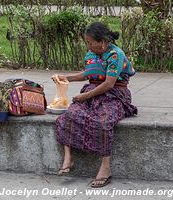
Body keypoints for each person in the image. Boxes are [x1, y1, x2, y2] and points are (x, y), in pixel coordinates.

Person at [53, 22, 137, 188]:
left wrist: (85, 96)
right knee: (70, 115)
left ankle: (105, 166)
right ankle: (68, 157)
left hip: (114, 94)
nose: (88, 45)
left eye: (90, 42)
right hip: (92, 91)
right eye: (87, 42)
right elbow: (89, 74)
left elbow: (109, 84)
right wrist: (66, 77)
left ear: (103, 41)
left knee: (104, 121)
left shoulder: (115, 55)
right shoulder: (92, 53)